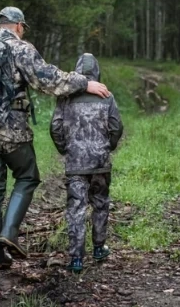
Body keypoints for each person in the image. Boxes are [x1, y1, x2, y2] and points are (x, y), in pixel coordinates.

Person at [0, 7, 112, 267]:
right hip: (12, 132)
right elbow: (49, 80)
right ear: (19, 26)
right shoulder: (21, 49)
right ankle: (9, 232)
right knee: (27, 176)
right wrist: (84, 83)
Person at [50, 53, 123, 274]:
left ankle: (76, 259)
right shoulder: (106, 96)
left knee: (76, 208)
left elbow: (55, 127)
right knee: (100, 203)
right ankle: (99, 248)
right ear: (97, 72)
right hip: (100, 162)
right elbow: (116, 126)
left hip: (76, 163)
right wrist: (108, 146)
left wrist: (65, 148)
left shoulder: (65, 98)